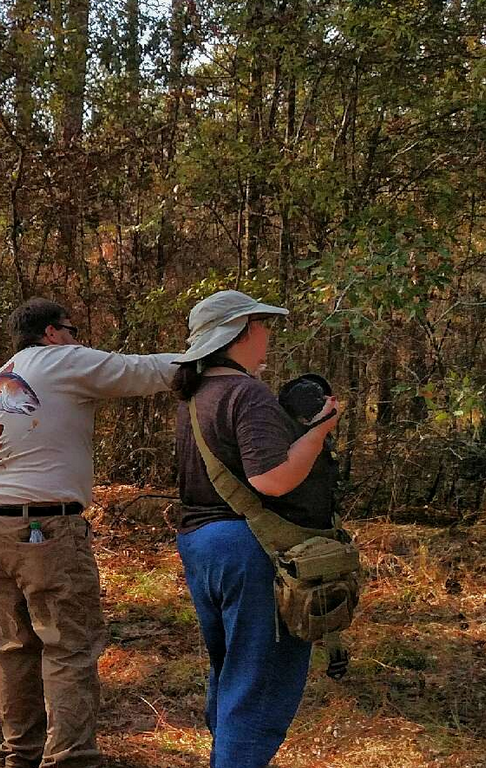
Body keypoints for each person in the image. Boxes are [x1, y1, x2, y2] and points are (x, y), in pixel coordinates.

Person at [0, 298, 179, 768]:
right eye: (72, 329)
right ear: (51, 333)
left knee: (12, 644)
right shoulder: (60, 360)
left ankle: (21, 753)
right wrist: (210, 359)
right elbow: (142, 371)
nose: (77, 337)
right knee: (68, 643)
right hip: (43, 526)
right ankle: (70, 759)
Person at [170, 290, 340, 768]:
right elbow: (273, 479)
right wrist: (318, 433)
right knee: (261, 679)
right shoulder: (247, 394)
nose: (268, 335)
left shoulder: (196, 395)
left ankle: (226, 754)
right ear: (242, 332)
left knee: (231, 668)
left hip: (203, 545)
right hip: (251, 549)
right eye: (263, 325)